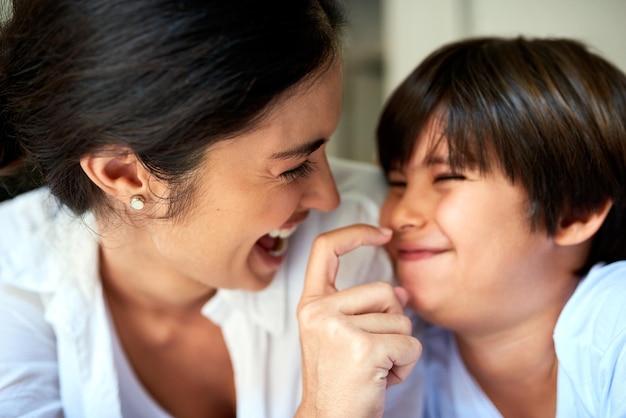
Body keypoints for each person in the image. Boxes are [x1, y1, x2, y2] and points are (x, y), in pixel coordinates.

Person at [0, 1, 412, 417]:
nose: (329, 198)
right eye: (292, 168)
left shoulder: (373, 229)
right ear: (123, 174)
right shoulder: (11, 276)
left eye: (324, 148)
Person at [374, 36, 626, 417]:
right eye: (396, 183)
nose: (400, 215)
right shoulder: (399, 363)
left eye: (449, 177)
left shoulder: (616, 326)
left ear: (574, 211)